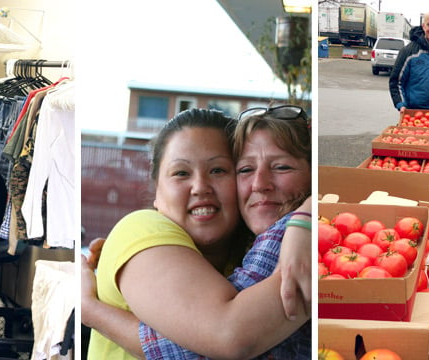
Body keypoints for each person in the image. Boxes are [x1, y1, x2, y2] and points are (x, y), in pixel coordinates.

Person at [83, 106, 312, 359]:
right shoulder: (141, 228)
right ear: (157, 190)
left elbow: (200, 346)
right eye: (181, 173)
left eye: (218, 170)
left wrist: (93, 311)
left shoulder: (253, 248)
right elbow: (225, 336)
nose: (200, 187)